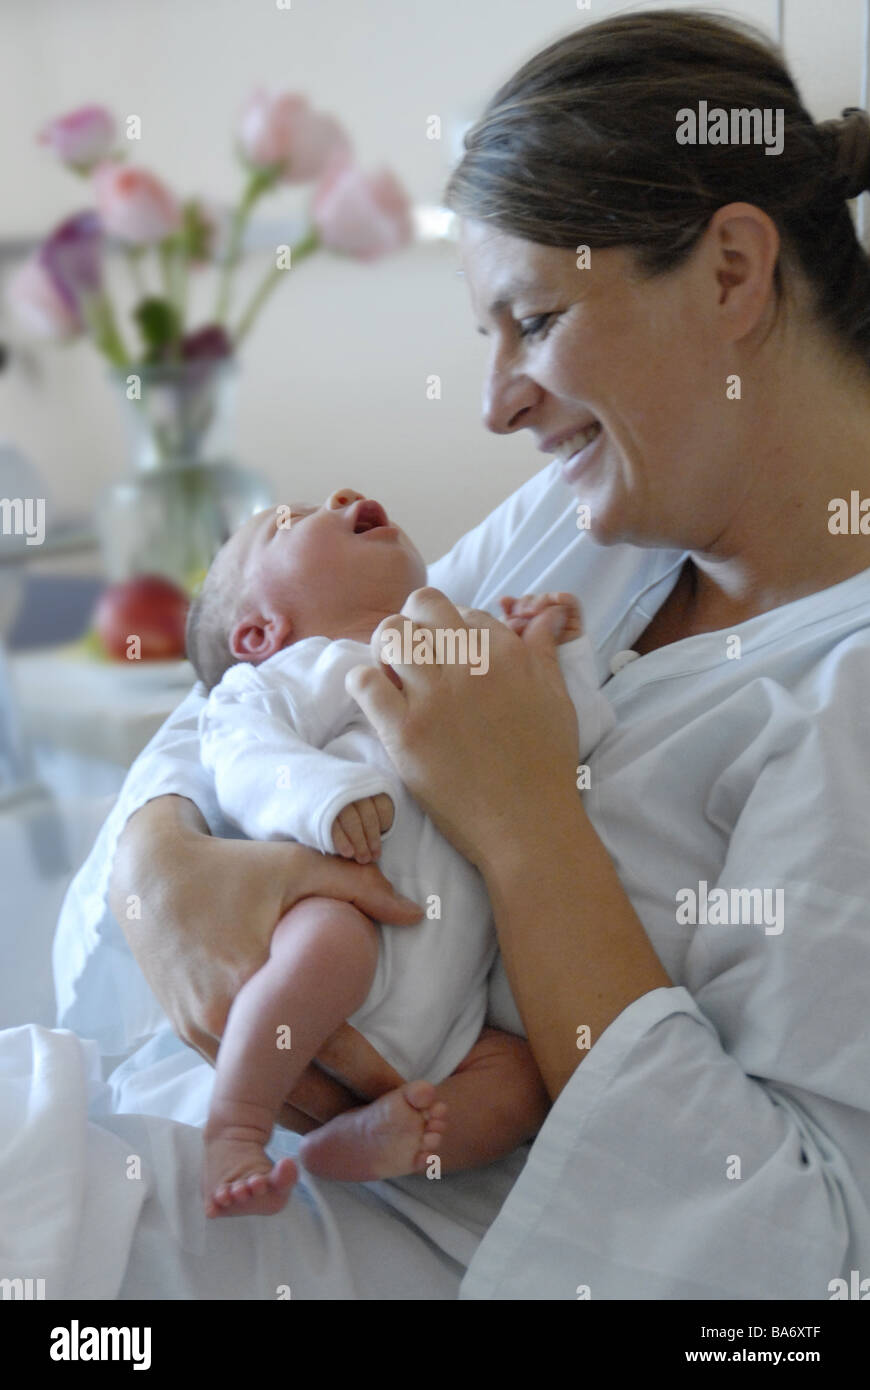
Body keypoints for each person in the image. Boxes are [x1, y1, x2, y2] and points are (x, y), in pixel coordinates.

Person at [53, 9, 870, 1298]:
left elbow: (796, 1260)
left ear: (731, 273)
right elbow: (260, 682)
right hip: (171, 1136)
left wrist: (529, 820)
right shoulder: (593, 512)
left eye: (534, 321)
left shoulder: (843, 698)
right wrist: (162, 863)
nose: (496, 405)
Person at [186, 494, 609, 1214]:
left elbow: (569, 740)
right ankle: (236, 1126)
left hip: (459, 1012)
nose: (342, 498)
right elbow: (238, 755)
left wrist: (554, 652)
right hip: (350, 905)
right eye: (290, 520)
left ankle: (383, 1140)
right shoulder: (294, 674)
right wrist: (324, 797)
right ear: (261, 632)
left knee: (523, 1080)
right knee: (330, 949)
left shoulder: (468, 646)